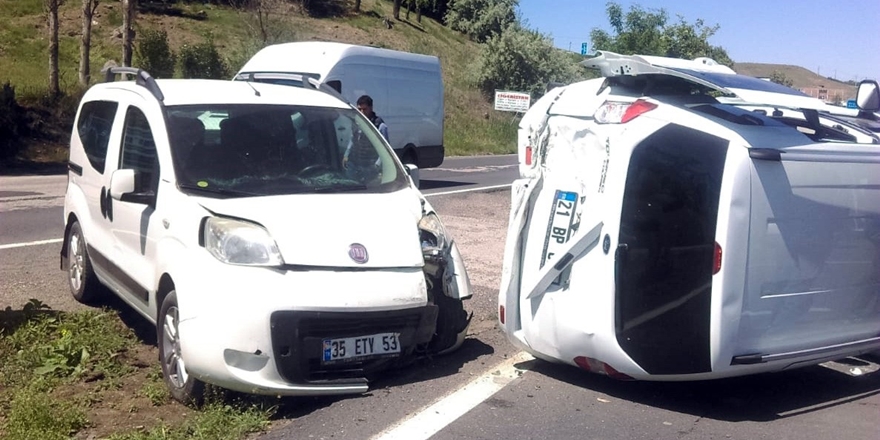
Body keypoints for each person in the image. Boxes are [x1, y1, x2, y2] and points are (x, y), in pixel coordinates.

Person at [343, 95, 388, 182]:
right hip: (356, 164)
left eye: (364, 109)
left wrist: (377, 166)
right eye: (359, 109)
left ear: (371, 108)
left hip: (370, 166)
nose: (362, 112)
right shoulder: (356, 122)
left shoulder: (379, 126)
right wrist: (346, 155)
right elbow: (352, 139)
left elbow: (385, 149)